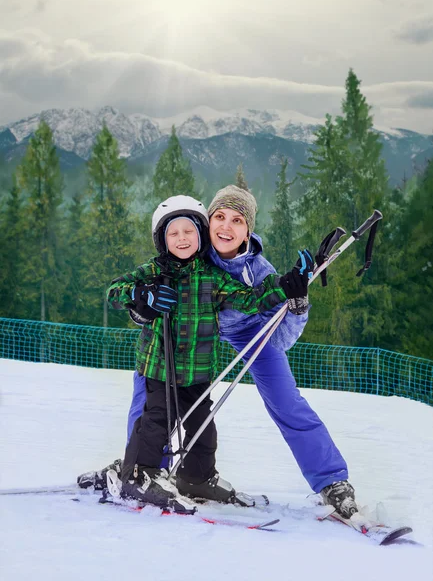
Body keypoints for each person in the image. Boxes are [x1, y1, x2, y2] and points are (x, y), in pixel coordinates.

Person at [79, 186, 358, 519]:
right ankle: (139, 468)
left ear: (248, 231)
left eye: (237, 221)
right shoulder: (188, 242)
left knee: (285, 399)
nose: (226, 227)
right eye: (219, 217)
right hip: (186, 335)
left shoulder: (258, 271)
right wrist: (140, 306)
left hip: (245, 331)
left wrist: (296, 301)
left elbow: (279, 337)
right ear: (206, 222)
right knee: (152, 393)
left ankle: (331, 481)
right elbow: (138, 287)